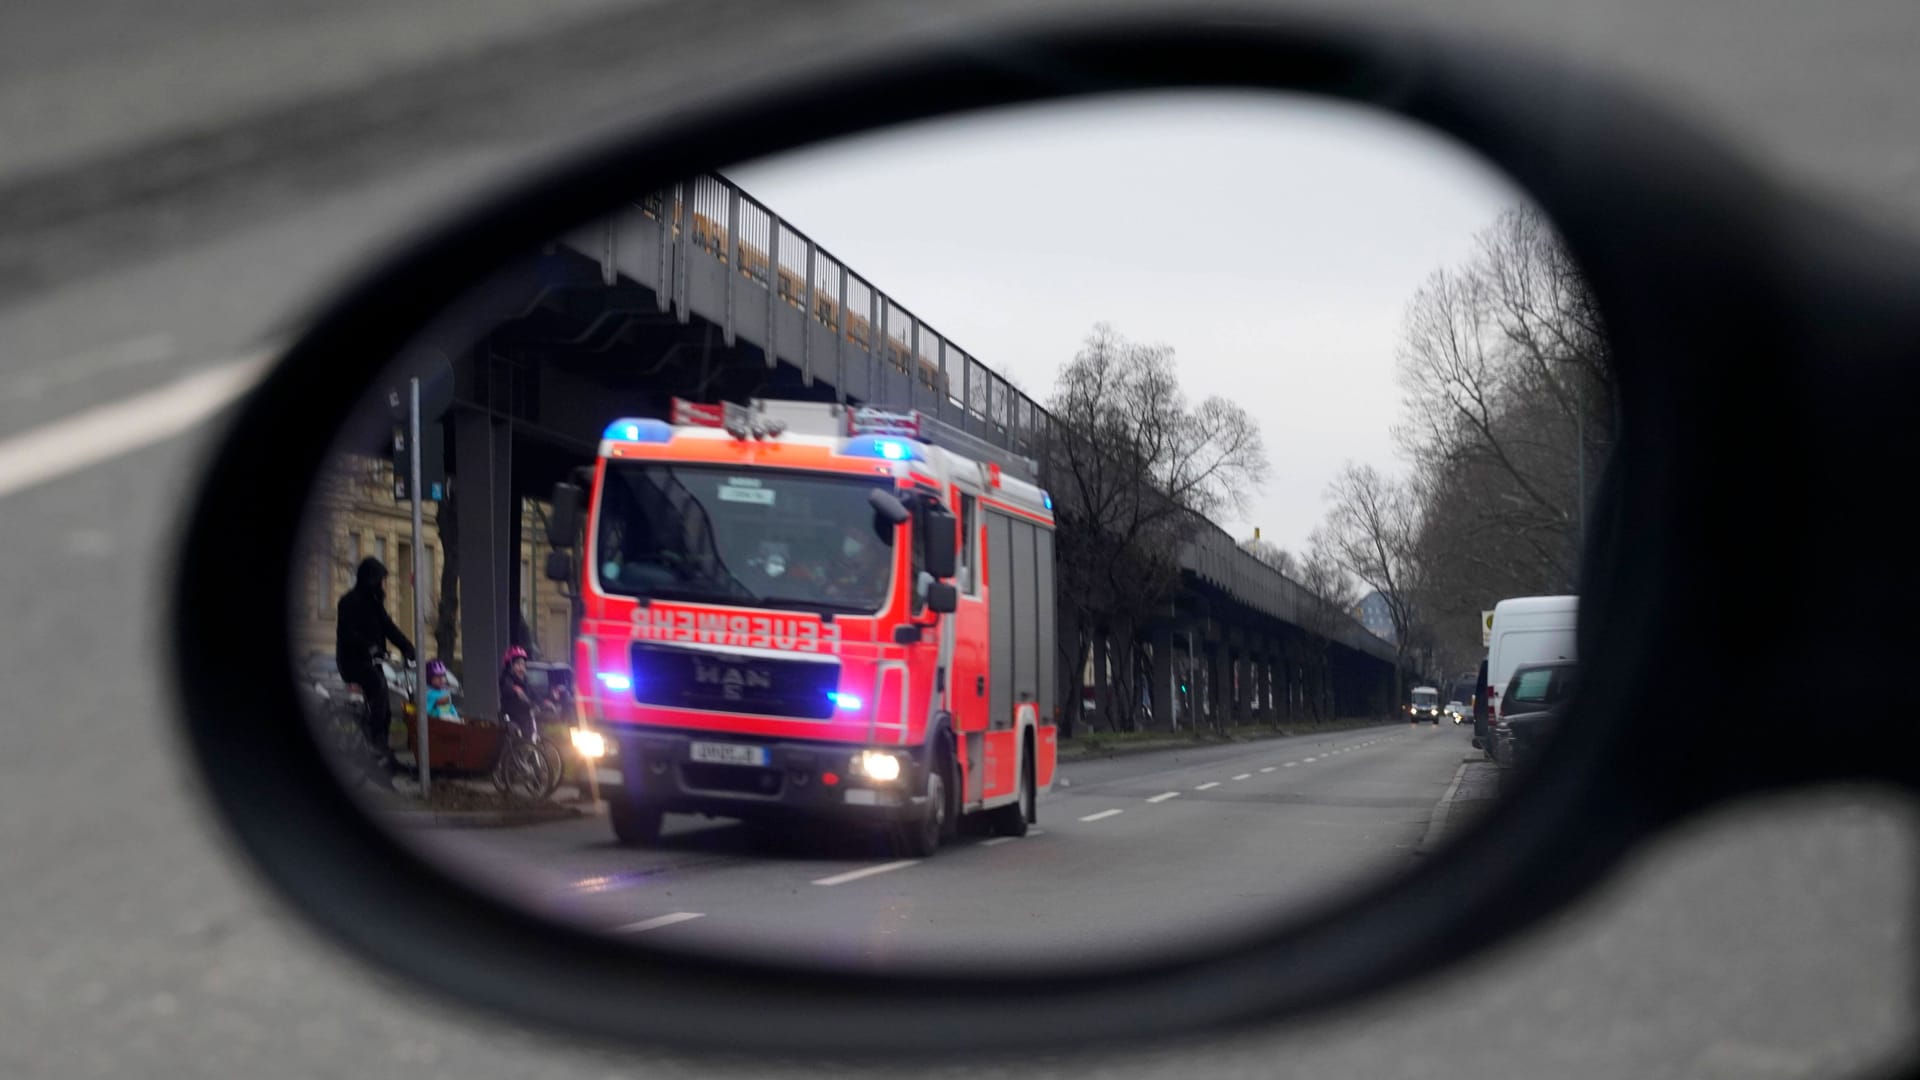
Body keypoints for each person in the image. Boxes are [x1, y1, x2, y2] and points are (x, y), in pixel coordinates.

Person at [335, 557, 415, 785]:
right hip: (352, 661)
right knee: (378, 687)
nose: (382, 585)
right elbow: (347, 634)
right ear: (369, 580)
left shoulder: (374, 603)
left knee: (385, 707)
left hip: (372, 660)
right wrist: (369, 647)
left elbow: (389, 627)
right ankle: (374, 746)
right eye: (380, 580)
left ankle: (383, 751)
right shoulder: (348, 602)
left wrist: (407, 647)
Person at [499, 645, 536, 739]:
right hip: (512, 718)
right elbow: (506, 688)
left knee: (531, 740)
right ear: (510, 666)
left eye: (523, 665)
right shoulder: (507, 679)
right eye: (518, 664)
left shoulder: (525, 681)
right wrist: (514, 689)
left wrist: (546, 700)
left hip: (526, 718)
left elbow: (533, 694)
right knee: (518, 741)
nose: (521, 668)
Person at [422, 659, 461, 724]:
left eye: (442, 676)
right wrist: (435, 707)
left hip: (449, 719)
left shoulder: (445, 692)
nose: (441, 679)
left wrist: (455, 715)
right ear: (430, 678)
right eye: (437, 677)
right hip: (438, 721)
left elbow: (450, 706)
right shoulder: (429, 694)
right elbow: (426, 711)